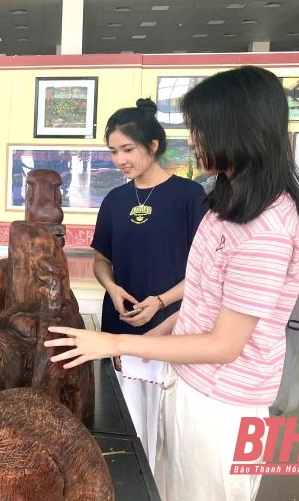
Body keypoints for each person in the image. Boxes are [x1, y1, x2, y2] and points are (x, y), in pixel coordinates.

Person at [46, 66, 299, 501]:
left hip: (228, 407)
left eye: (200, 129)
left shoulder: (266, 225)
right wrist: (154, 332)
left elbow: (224, 345)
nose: (192, 141)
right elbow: (205, 297)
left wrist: (115, 344)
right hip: (189, 381)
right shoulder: (227, 202)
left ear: (238, 130)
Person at [90, 97, 206, 465]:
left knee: (164, 418)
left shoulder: (190, 196)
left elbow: (205, 272)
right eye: (113, 152)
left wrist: (160, 300)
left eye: (128, 149)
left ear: (153, 146)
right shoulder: (115, 199)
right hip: (119, 321)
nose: (121, 159)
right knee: (123, 415)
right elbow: (100, 260)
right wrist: (111, 287)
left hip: (170, 323)